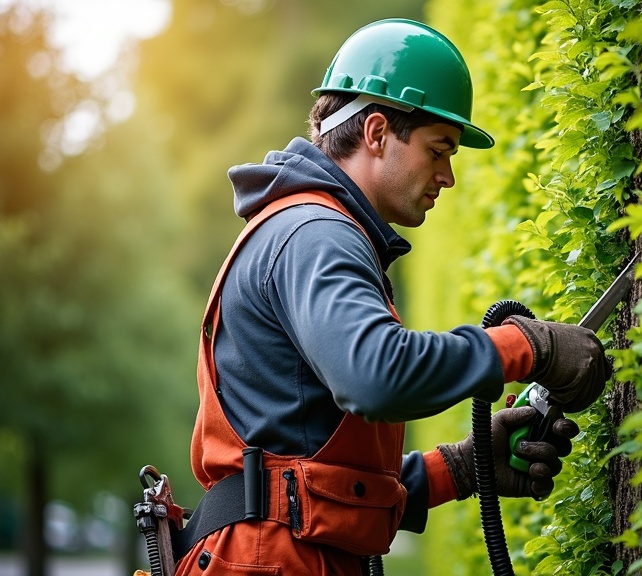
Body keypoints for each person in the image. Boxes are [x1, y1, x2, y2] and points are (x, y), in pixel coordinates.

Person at [174, 18, 611, 576]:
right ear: (377, 133)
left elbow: (306, 478)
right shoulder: (315, 233)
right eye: (439, 149)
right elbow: (375, 375)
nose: (447, 176)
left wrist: (459, 467)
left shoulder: (307, 228)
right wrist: (528, 348)